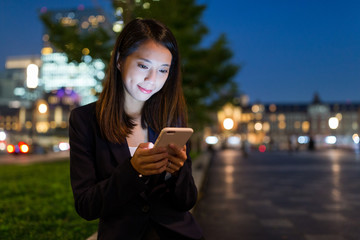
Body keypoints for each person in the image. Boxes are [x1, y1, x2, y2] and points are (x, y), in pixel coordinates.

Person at [69, 18, 204, 240]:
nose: (152, 79)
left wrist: (178, 171)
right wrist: (133, 170)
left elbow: (186, 201)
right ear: (120, 61)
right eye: (143, 66)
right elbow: (86, 206)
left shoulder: (172, 118)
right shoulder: (85, 120)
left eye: (163, 70)